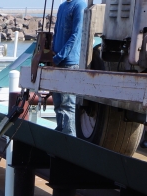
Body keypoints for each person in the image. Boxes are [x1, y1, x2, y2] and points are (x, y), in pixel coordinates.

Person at [50, 0, 86, 136]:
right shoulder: (61, 6)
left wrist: (59, 56)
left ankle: (69, 137)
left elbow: (76, 35)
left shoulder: (79, 6)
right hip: (57, 61)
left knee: (68, 104)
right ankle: (60, 132)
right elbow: (56, 31)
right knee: (58, 103)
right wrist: (53, 51)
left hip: (69, 63)